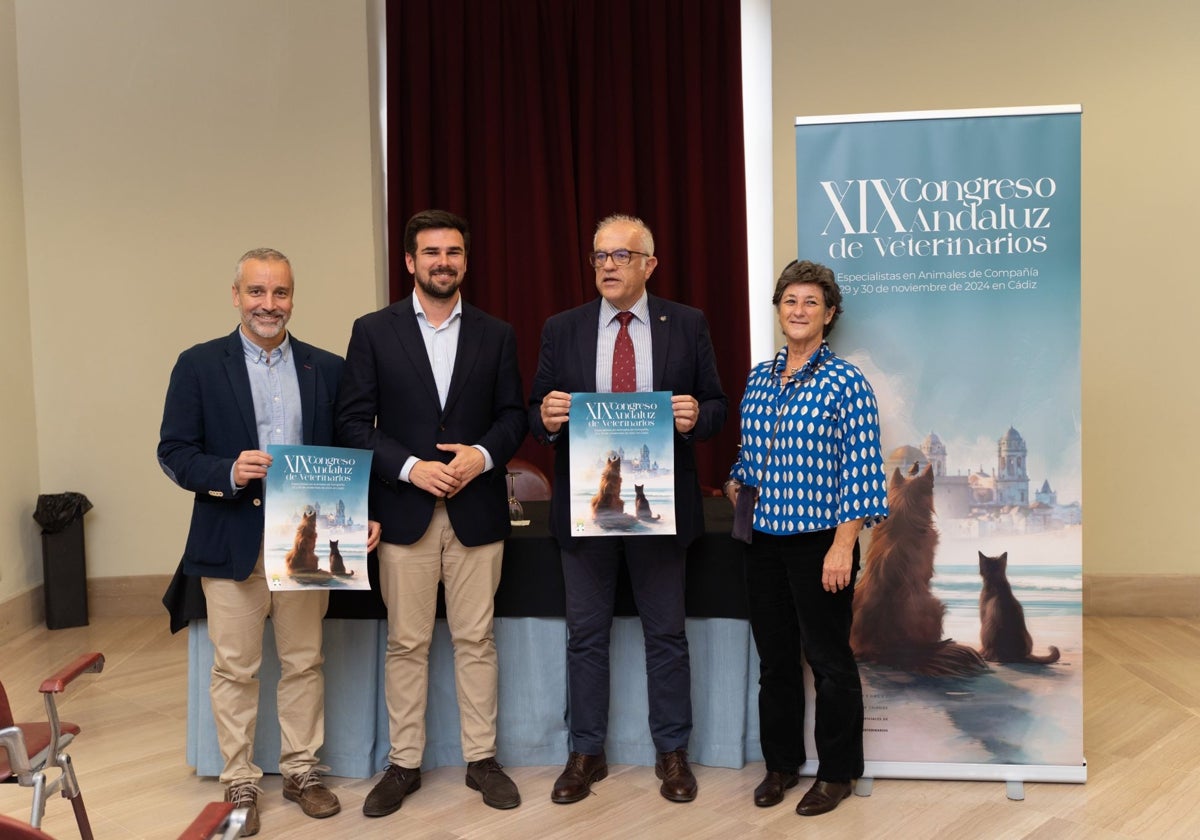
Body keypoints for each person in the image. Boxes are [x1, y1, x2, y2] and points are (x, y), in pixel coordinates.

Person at [158, 248, 380, 836]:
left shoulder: (326, 367)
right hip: (230, 539)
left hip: (307, 541)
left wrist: (361, 513)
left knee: (305, 661)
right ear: (236, 296)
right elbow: (174, 452)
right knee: (235, 668)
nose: (268, 305)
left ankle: (303, 770)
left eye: (279, 293)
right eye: (257, 292)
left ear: (292, 298)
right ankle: (240, 779)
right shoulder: (199, 365)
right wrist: (229, 471)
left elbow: (349, 453)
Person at [335, 209, 528, 815]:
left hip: (477, 510)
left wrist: (482, 454)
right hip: (403, 511)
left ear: (465, 261)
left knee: (476, 640)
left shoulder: (496, 333)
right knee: (407, 644)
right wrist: (410, 468)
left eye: (453, 252)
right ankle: (403, 765)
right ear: (410, 262)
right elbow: (350, 424)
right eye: (430, 252)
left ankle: (482, 760)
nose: (442, 262)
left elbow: (514, 418)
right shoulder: (372, 330)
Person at [529, 213, 727, 804]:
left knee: (666, 635)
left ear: (649, 264)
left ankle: (672, 754)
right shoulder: (562, 328)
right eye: (599, 256)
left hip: (659, 511)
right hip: (588, 510)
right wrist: (546, 416)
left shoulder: (686, 323)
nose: (608, 266)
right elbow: (536, 406)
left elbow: (717, 405)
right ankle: (585, 754)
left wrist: (696, 418)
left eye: (620, 255)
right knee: (585, 637)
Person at [723, 259, 888, 816]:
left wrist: (843, 547)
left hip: (821, 541)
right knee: (774, 661)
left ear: (830, 314)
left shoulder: (846, 381)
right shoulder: (757, 377)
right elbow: (749, 456)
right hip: (762, 540)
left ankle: (838, 773)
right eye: (790, 301)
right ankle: (781, 765)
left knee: (829, 659)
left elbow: (861, 473)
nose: (798, 311)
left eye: (811, 303)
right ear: (778, 310)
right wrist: (735, 482)